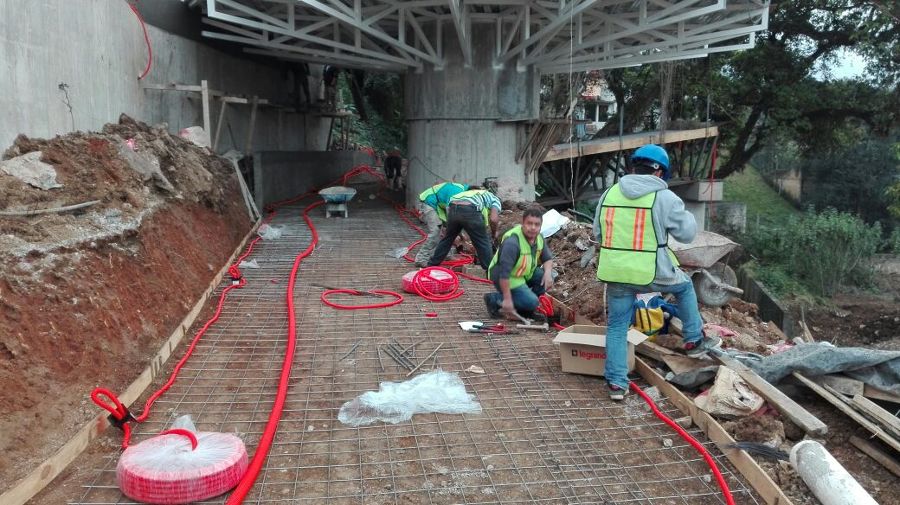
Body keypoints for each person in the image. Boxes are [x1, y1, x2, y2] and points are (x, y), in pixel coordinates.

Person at [593, 144, 721, 401]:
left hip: (615, 270)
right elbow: (686, 235)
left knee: (617, 325)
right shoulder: (665, 198)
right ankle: (693, 341)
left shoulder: (609, 194)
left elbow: (598, 233)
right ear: (660, 172)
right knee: (684, 287)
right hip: (651, 271)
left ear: (633, 167)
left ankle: (617, 384)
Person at [484, 206, 555, 320]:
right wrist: (507, 300)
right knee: (532, 302)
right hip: (505, 275)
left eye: (537, 224)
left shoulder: (539, 238)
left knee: (542, 277)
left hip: (522, 273)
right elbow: (504, 273)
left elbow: (547, 258)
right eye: (529, 223)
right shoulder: (512, 243)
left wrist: (548, 273)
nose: (533, 227)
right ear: (523, 223)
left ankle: (526, 310)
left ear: (540, 226)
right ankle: (494, 299)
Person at [427, 188, 501, 271]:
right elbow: (493, 219)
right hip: (470, 210)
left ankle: (431, 265)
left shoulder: (462, 194)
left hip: (452, 208)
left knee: (447, 239)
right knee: (482, 241)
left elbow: (450, 210)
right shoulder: (493, 197)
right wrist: (495, 232)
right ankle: (490, 271)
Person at [415, 181, 469, 267]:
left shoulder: (464, 193)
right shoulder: (458, 192)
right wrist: (458, 231)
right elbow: (450, 211)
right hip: (430, 202)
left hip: (439, 205)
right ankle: (421, 259)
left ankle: (446, 254)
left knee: (448, 231)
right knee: (435, 232)